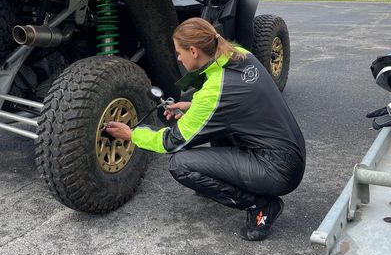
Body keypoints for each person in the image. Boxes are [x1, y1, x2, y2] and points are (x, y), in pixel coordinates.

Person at [105, 17, 306, 241]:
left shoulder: (214, 92)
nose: (179, 59)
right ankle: (227, 182)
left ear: (193, 51)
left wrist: (132, 134)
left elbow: (171, 142)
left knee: (181, 165)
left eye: (179, 53)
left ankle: (262, 205)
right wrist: (192, 106)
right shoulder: (238, 54)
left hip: (277, 171)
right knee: (212, 129)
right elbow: (236, 101)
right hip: (291, 153)